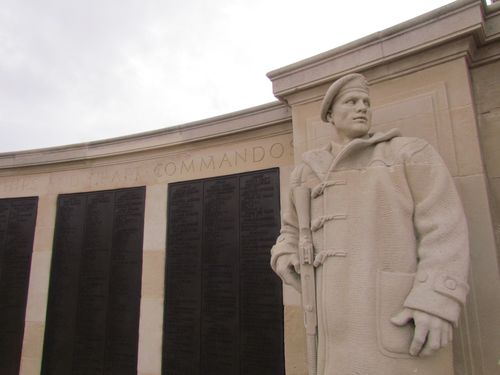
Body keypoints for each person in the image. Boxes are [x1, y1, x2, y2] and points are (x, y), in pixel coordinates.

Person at [271, 73, 469, 375]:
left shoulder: (408, 153)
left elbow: (445, 227)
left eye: (366, 102)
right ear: (331, 115)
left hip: (390, 318)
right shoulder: (305, 172)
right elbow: (290, 231)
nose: (362, 108)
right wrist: (285, 255)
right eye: (351, 102)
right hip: (329, 332)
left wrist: (437, 298)